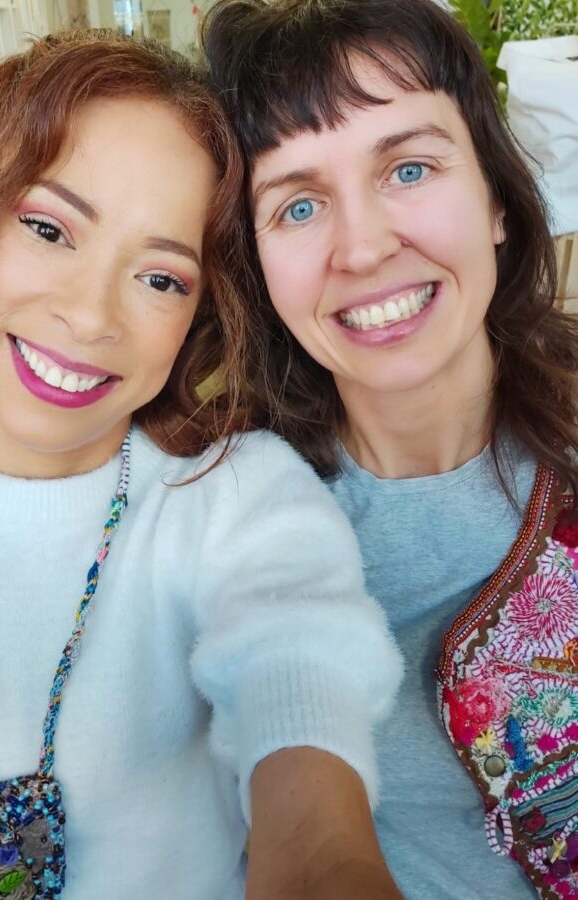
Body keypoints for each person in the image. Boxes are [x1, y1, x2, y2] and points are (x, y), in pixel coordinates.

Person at [0, 31, 403, 900]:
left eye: (162, 278)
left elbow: (300, 701)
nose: (90, 316)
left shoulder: (239, 499)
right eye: (48, 229)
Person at [202, 0, 578, 896]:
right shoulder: (218, 520)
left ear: (494, 197)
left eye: (408, 167)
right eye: (297, 205)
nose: (364, 248)